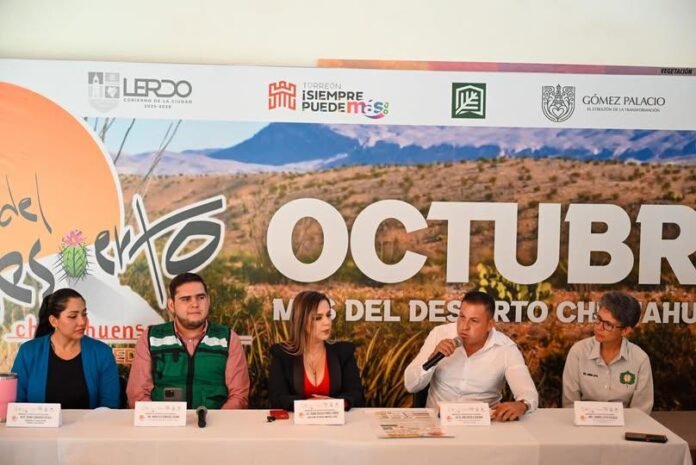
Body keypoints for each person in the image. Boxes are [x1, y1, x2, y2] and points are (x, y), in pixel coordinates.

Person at [404, 291, 538, 421]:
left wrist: (522, 405)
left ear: (490, 325)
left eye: (474, 321)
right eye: (462, 317)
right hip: (437, 422)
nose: (464, 327)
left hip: (482, 424)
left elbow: (528, 392)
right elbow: (411, 385)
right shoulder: (440, 333)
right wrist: (432, 359)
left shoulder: (505, 348)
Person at [126, 272, 249, 409]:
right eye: (185, 299)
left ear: (208, 300)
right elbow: (137, 394)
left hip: (215, 421)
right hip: (162, 420)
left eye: (200, 297)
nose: (195, 304)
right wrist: (161, 418)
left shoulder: (228, 338)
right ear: (171, 305)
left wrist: (214, 421)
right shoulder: (150, 337)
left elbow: (239, 396)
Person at [11, 288, 120, 408]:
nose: (82, 322)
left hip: (92, 421)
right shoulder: (28, 352)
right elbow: (16, 404)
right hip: (37, 421)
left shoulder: (102, 353)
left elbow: (110, 405)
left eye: (84, 314)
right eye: (73, 316)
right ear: (54, 321)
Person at [269, 290, 365, 411]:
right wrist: (308, 405)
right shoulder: (282, 354)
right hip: (296, 422)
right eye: (318, 318)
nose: (327, 322)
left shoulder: (343, 352)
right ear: (301, 321)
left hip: (337, 421)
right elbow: (277, 398)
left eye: (328, 315)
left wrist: (336, 404)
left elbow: (356, 394)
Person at [562, 291, 653, 414]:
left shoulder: (640, 359)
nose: (599, 327)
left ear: (625, 330)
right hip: (583, 422)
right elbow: (569, 405)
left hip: (625, 423)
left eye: (608, 324)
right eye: (598, 319)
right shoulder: (578, 352)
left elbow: (641, 412)